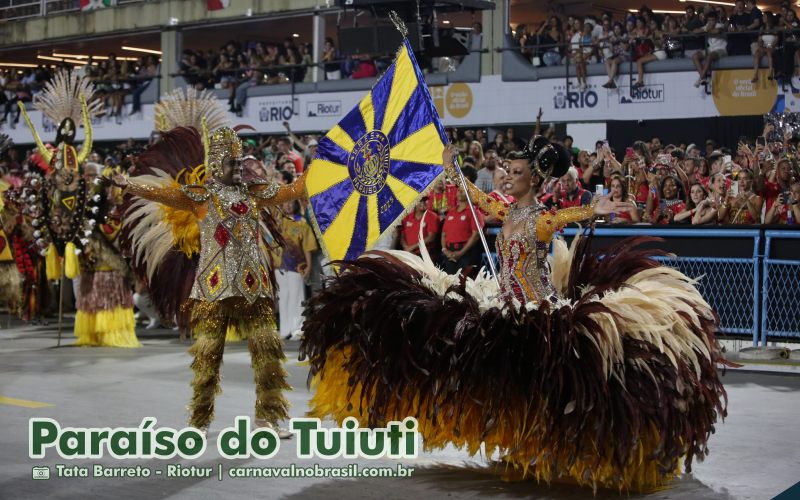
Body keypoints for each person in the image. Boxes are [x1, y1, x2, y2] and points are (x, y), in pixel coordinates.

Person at [300, 138, 728, 492]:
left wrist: (594, 210)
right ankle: (513, 440)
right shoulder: (508, 211)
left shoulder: (540, 218)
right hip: (504, 304)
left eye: (516, 172)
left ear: (534, 179)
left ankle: (552, 446)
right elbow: (480, 198)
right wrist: (452, 169)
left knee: (539, 382)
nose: (508, 175)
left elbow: (562, 217)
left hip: (535, 311)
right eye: (507, 169)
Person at [117, 122, 310, 434]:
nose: (238, 167)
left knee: (268, 356)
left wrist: (320, 170)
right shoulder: (200, 196)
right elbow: (164, 194)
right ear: (216, 165)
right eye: (231, 162)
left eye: (239, 161)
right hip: (212, 290)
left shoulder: (255, 193)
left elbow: (292, 191)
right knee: (207, 359)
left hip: (254, 288)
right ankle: (199, 420)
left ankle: (269, 417)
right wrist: (129, 185)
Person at [18, 70, 138, 347]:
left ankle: (109, 331)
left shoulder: (99, 185)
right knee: (91, 282)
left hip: (100, 239)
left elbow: (111, 202)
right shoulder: (70, 186)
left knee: (106, 279)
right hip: (85, 243)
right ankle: (93, 330)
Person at [274, 199, 317, 340]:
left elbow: (308, 247)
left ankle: (297, 329)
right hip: (280, 266)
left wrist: (309, 266)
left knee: (297, 298)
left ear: (296, 205)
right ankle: (285, 330)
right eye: (285, 203)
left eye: (290, 202)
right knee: (283, 298)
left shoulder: (302, 223)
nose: (287, 204)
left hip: (297, 266)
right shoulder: (277, 222)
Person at [440, 185, 483, 275]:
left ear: (469, 193)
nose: (460, 192)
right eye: (459, 190)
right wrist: (445, 250)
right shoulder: (451, 211)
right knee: (450, 282)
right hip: (449, 252)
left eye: (463, 191)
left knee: (465, 283)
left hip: (466, 252)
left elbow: (476, 235)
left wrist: (460, 253)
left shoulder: (474, 212)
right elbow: (444, 233)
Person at [693, 11, 727, 87]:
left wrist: (707, 29)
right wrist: (705, 29)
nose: (711, 22)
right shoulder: (707, 26)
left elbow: (717, 31)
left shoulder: (720, 25)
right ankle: (704, 77)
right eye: (709, 20)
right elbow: (695, 31)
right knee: (695, 56)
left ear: (716, 20)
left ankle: (700, 78)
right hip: (710, 49)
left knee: (709, 56)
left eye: (713, 20)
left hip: (721, 49)